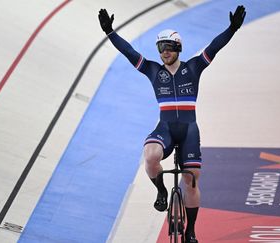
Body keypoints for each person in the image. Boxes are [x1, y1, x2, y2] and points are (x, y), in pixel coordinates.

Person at [98, 5, 246, 242]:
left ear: (178, 47)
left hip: (189, 129)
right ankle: (161, 190)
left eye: (168, 47)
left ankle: (191, 230)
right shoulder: (153, 71)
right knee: (150, 155)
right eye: (160, 48)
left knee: (191, 180)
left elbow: (215, 47)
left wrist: (232, 29)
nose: (164, 52)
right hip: (165, 128)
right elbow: (129, 51)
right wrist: (110, 32)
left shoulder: (194, 67)